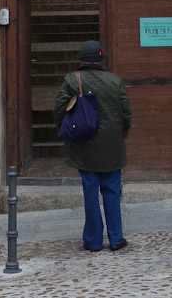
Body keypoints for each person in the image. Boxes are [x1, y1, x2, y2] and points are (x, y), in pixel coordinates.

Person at [54, 40, 132, 252]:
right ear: (100, 58)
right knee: (112, 192)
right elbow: (126, 114)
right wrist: (120, 135)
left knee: (90, 191)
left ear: (82, 59)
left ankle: (93, 240)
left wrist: (67, 132)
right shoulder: (115, 81)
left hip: (83, 145)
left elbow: (60, 108)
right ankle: (116, 238)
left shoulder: (72, 79)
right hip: (111, 146)